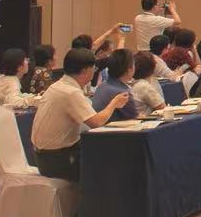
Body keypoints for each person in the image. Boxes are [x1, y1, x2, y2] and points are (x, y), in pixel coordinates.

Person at [32, 49, 130, 180]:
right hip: (57, 160)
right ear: (86, 71)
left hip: (44, 156)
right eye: (94, 68)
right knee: (112, 161)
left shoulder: (57, 86)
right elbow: (96, 122)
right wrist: (114, 103)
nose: (94, 71)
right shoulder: (71, 92)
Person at [90, 50, 140, 122]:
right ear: (129, 70)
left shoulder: (103, 85)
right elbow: (135, 119)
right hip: (109, 128)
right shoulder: (123, 93)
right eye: (134, 64)